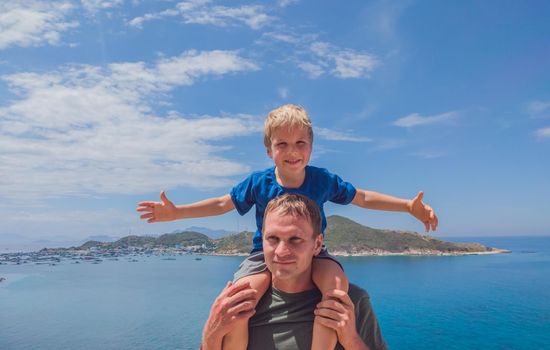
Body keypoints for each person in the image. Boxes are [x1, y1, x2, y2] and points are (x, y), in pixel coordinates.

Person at [137, 104, 437, 349]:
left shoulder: (322, 180)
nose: (292, 151)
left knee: (335, 291)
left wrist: (407, 206)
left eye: (300, 143)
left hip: (314, 255)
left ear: (311, 147)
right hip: (260, 256)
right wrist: (177, 214)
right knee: (240, 303)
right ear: (269, 150)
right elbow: (221, 204)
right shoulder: (258, 182)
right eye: (282, 144)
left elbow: (363, 198)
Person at [200, 193, 387, 350]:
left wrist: (351, 340)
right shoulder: (238, 303)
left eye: (295, 239)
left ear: (317, 244)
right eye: (272, 238)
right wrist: (210, 335)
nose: (281, 252)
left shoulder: (350, 301)